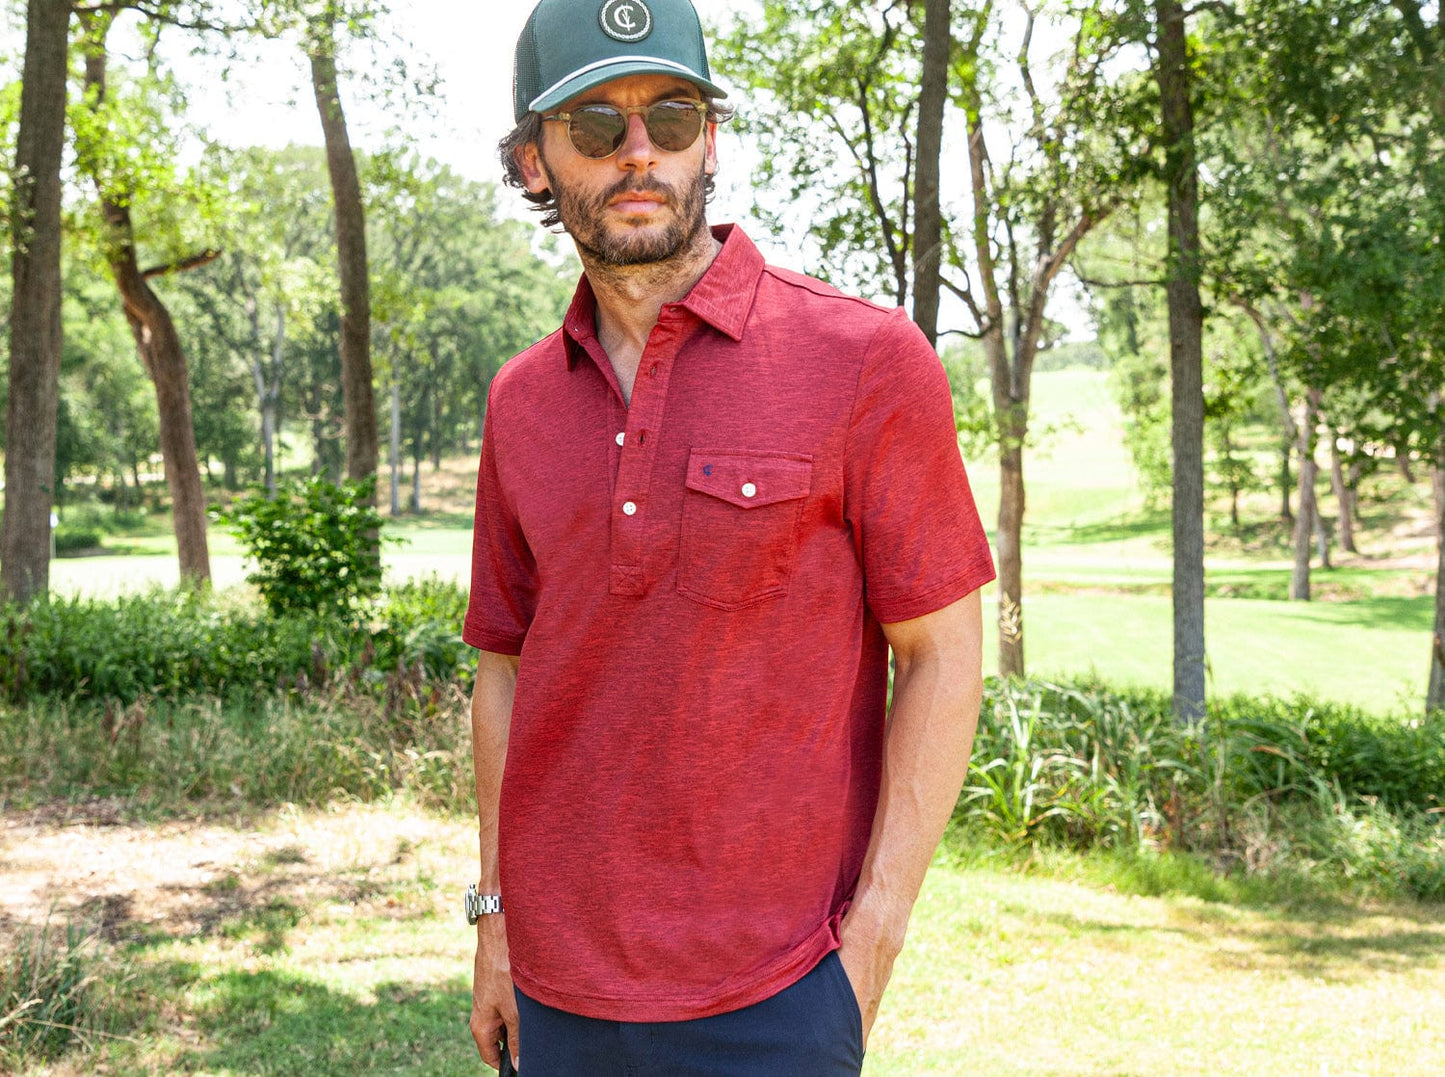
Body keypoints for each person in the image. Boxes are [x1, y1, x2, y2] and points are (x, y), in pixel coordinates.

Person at [463, 0, 996, 1072]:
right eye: (595, 124)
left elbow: (943, 653)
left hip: (778, 992)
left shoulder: (865, 359)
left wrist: (870, 946)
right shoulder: (520, 401)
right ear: (532, 161)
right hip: (555, 993)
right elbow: (506, 671)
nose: (639, 151)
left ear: (709, 139)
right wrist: (494, 919)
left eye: (671, 115)